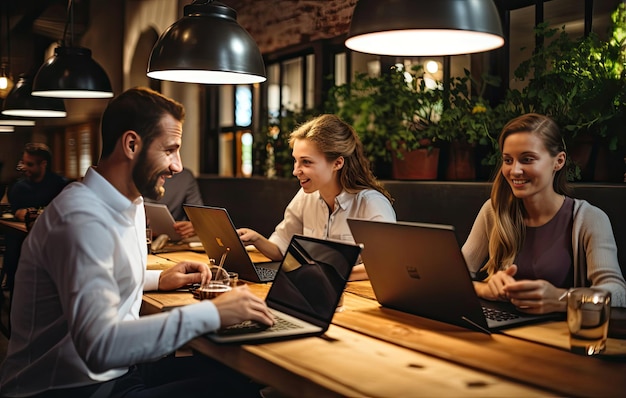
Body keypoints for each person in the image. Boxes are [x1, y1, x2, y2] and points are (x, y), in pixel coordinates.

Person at [0, 87, 273, 397]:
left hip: (113, 373)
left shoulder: (130, 202)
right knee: (234, 393)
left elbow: (96, 279)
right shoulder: (80, 218)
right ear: (131, 144)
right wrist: (214, 314)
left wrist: (159, 278)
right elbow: (100, 346)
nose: (178, 165)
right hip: (62, 388)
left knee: (239, 375)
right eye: (170, 150)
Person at [462, 113, 626, 314]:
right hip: (502, 335)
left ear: (558, 161)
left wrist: (561, 299)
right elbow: (453, 277)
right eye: (508, 160)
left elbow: (618, 293)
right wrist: (484, 288)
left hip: (560, 337)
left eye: (527, 159)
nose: (515, 170)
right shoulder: (493, 211)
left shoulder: (590, 219)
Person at [237, 114, 396, 280]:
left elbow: (388, 264)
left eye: (306, 162)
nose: (295, 171)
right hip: (315, 291)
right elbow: (281, 249)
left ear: (337, 163)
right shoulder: (306, 196)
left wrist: (330, 275)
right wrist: (256, 239)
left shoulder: (371, 203)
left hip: (358, 299)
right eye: (296, 161)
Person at [3, 143, 67, 293]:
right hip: (22, 242)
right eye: (24, 163)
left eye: (30, 164)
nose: (25, 167)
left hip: (52, 244)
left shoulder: (60, 185)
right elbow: (18, 213)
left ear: (43, 164)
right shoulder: (19, 187)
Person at [147, 167, 203, 239]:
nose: (177, 165)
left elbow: (199, 218)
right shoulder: (140, 174)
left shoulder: (185, 176)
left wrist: (196, 226)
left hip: (176, 239)